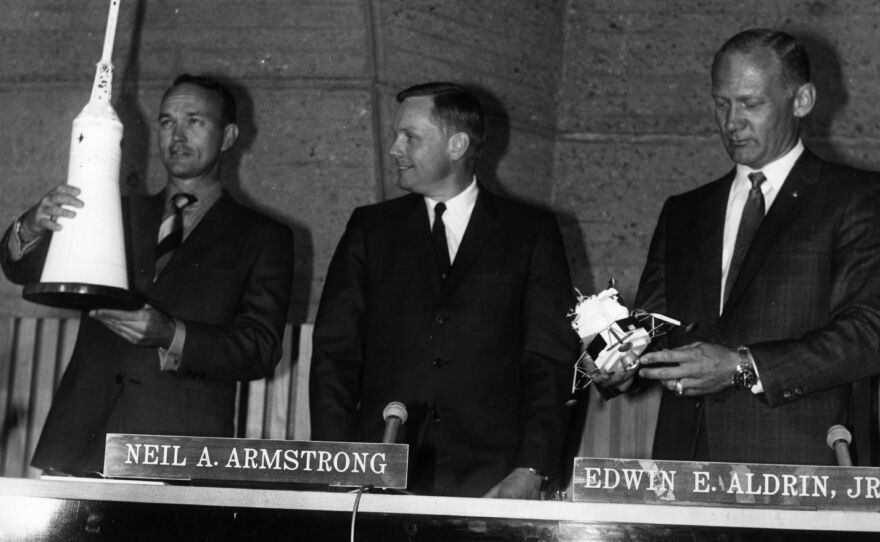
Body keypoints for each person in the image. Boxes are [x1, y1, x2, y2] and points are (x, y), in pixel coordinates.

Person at [1, 74, 295, 475]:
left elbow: (260, 348)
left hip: (179, 450)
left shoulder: (263, 236)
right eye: (166, 121)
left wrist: (170, 335)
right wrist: (32, 226)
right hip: (78, 443)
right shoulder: (114, 211)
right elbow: (23, 270)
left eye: (194, 121)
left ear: (228, 136)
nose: (176, 135)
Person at [611, 28, 880, 465]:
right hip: (684, 462)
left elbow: (868, 333)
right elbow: (653, 326)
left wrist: (742, 366)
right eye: (721, 103)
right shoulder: (683, 211)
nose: (731, 122)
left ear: (802, 101)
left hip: (798, 463)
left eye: (751, 104)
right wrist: (615, 361)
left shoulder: (857, 198)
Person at [309, 82, 578, 498]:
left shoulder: (530, 233)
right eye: (396, 136)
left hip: (495, 475)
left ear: (456, 145)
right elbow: (334, 353)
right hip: (380, 468)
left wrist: (532, 468)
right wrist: (335, 462)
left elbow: (548, 360)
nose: (394, 149)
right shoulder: (370, 230)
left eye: (410, 137)